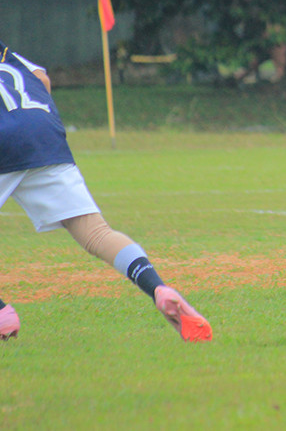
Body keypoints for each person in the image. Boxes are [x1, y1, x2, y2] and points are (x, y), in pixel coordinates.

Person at [0, 43, 212, 342]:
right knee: (96, 233)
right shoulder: (5, 51)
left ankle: (2, 314)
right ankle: (158, 288)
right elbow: (42, 80)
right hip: (42, 132)